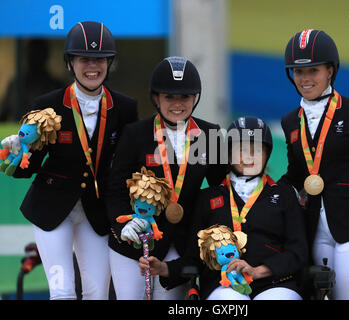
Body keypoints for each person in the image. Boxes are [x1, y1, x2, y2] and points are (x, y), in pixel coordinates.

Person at [1, 21, 138, 299]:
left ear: (109, 63)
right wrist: (16, 155)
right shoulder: (47, 103)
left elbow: (128, 166)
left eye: (100, 59)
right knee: (62, 292)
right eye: (84, 58)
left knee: (97, 293)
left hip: (96, 210)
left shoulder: (125, 107)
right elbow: (29, 167)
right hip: (52, 205)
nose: (93, 66)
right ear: (69, 63)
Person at [139, 116, 309, 300]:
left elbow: (297, 252)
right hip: (223, 285)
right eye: (241, 150)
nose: (249, 157)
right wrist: (165, 268)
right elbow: (194, 257)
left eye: (257, 150)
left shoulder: (285, 195)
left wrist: (259, 271)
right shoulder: (208, 197)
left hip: (276, 283)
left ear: (267, 154)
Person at [105, 56, 228, 300]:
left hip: (182, 246)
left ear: (195, 98)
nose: (177, 104)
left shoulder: (211, 134)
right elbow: (115, 190)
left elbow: (222, 187)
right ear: (156, 98)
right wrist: (123, 225)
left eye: (184, 96)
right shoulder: (135, 134)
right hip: (136, 242)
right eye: (169, 96)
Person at [280, 29, 349, 300]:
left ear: (330, 70)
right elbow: (296, 174)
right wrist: (266, 192)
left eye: (313, 71)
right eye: (298, 72)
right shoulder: (291, 121)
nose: (305, 79)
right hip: (315, 228)